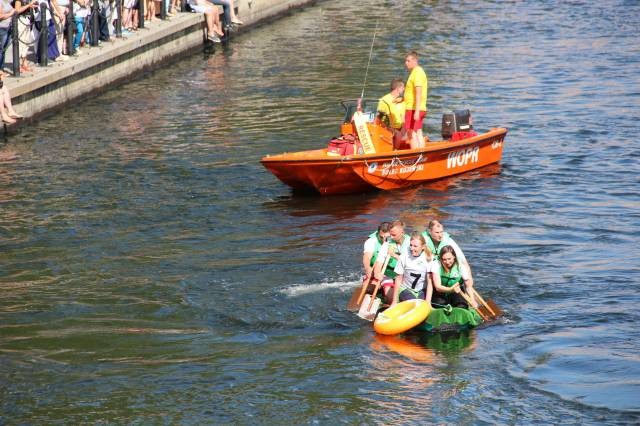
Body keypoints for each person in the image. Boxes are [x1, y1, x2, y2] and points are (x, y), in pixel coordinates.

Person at [389, 232, 441, 306]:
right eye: (411, 245)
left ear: (423, 247)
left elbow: (429, 282)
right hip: (405, 289)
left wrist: (428, 302)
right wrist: (394, 301)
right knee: (415, 304)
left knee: (422, 305)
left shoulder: (429, 258)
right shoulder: (404, 256)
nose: (412, 248)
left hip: (421, 291)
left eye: (415, 246)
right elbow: (398, 279)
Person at [371, 220, 411, 300]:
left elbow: (410, 263)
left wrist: (393, 255)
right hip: (390, 274)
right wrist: (377, 273)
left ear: (402, 232)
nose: (391, 237)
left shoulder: (411, 244)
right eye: (390, 234)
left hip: (406, 275)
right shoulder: (388, 243)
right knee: (388, 294)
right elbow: (379, 261)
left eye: (394, 235)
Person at [403, 51, 428, 149]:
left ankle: (417, 155)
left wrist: (417, 111)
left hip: (414, 108)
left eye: (408, 61)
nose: (406, 63)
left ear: (415, 61)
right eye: (405, 61)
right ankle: (421, 154)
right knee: (417, 131)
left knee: (411, 133)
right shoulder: (415, 72)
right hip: (414, 107)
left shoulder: (417, 72)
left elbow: (419, 92)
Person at [377, 78, 406, 149]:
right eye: (403, 87)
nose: (404, 89)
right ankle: (394, 151)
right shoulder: (384, 101)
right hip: (388, 128)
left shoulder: (402, 101)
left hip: (400, 128)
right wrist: (392, 130)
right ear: (398, 88)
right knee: (398, 134)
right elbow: (381, 119)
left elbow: (403, 117)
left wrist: (404, 129)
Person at [12, 0, 38, 72]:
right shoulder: (18, 0)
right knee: (20, 42)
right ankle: (18, 64)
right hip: (20, 20)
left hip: (27, 20)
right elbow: (17, 11)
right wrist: (29, 5)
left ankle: (24, 63)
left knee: (26, 42)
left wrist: (31, 6)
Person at [0, 0, 15, 73]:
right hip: (2, 28)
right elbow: (1, 16)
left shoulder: (7, 2)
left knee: (4, 50)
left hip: (8, 27)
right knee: (1, 49)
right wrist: (11, 13)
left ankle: (1, 69)